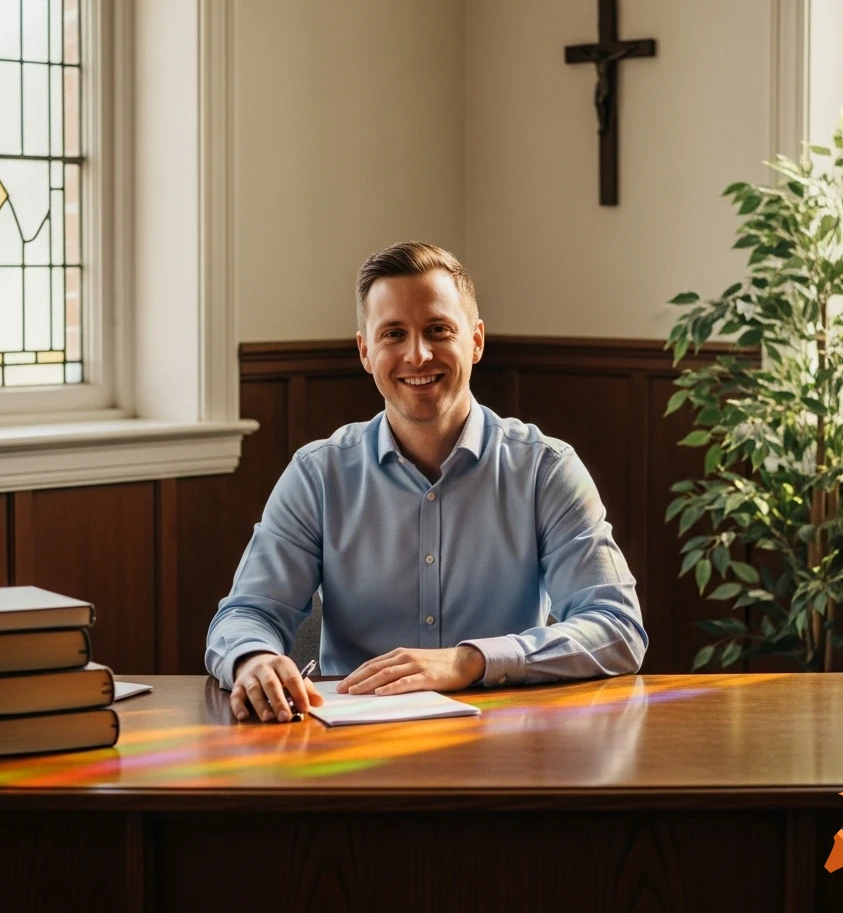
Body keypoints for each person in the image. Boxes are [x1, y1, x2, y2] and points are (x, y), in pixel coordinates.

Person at [205, 242, 648, 723]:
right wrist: (254, 659)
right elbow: (246, 613)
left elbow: (618, 627)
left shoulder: (546, 469)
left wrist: (469, 660)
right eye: (393, 334)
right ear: (365, 351)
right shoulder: (318, 474)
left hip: (503, 743)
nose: (417, 355)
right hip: (348, 747)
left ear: (475, 341)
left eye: (438, 330)